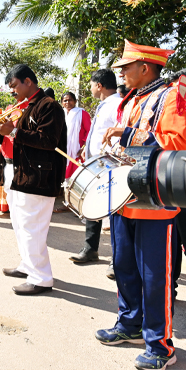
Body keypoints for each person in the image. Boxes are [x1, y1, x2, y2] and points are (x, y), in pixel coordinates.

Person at [96, 40, 186, 369]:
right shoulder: (133, 98)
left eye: (125, 67)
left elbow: (176, 143)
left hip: (155, 202)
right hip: (125, 196)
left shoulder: (170, 94)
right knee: (124, 267)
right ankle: (129, 325)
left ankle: (160, 346)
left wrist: (129, 133)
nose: (120, 73)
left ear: (145, 68)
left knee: (154, 277)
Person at [0, 64, 67, 296]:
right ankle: (28, 265)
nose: (12, 91)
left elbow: (48, 141)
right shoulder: (25, 106)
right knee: (20, 224)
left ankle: (41, 278)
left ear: (28, 81)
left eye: (14, 85)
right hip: (22, 174)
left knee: (32, 228)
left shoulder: (49, 106)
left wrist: (13, 132)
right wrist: (0, 132)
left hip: (39, 177)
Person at [69, 69, 121, 267]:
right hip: (97, 164)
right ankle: (90, 249)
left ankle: (117, 260)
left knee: (114, 211)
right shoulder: (104, 105)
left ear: (99, 85)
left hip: (110, 165)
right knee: (94, 206)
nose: (90, 88)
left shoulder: (117, 104)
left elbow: (119, 133)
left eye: (91, 84)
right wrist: (87, 151)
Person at [61, 91, 91, 179]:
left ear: (75, 101)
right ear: (62, 102)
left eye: (70, 100)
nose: (67, 103)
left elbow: (89, 130)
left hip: (77, 149)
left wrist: (84, 147)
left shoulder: (82, 113)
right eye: (65, 100)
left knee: (76, 175)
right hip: (63, 148)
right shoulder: (60, 114)